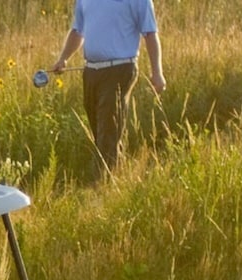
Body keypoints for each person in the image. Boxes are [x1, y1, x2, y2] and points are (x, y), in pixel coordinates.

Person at [50, 0, 167, 177]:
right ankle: (117, 176)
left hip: (120, 70)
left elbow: (150, 34)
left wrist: (157, 73)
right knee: (100, 130)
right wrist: (63, 58)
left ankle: (102, 181)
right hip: (91, 71)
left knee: (108, 128)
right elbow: (77, 31)